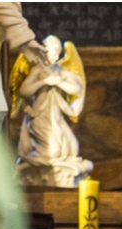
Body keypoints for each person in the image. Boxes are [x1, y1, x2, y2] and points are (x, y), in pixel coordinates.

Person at [15, 35, 93, 187]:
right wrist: (45, 81)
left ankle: (59, 176)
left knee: (71, 146)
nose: (56, 56)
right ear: (44, 51)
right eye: (52, 52)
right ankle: (32, 165)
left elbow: (77, 88)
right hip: (40, 116)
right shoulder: (38, 70)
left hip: (56, 115)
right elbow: (24, 91)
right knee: (53, 150)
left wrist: (61, 83)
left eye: (58, 53)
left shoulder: (60, 70)